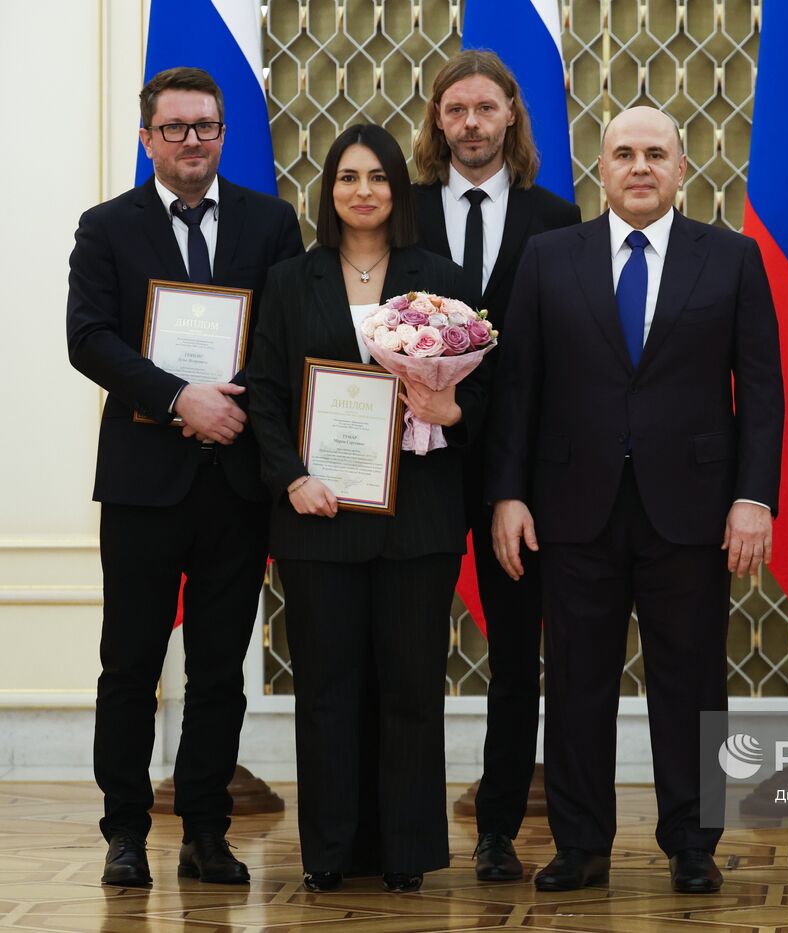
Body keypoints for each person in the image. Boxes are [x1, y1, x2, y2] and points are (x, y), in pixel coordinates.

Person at [488, 106, 783, 894]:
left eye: (657, 153)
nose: (641, 167)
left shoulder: (731, 258)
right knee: (577, 678)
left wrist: (755, 496)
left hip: (691, 507)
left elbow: (760, 390)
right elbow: (518, 388)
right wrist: (508, 495)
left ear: (683, 167)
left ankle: (693, 841)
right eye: (625, 153)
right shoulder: (550, 257)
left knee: (691, 681)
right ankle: (580, 843)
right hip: (570, 504)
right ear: (602, 169)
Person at [66, 66, 303, 887]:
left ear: (223, 134)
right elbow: (89, 338)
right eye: (175, 128)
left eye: (205, 126)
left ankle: (206, 830)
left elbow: (290, 332)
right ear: (148, 139)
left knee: (218, 670)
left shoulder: (271, 222)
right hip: (142, 481)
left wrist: (235, 407)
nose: (192, 140)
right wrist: (178, 400)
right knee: (128, 664)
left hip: (238, 482)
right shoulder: (106, 228)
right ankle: (125, 831)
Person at [246, 123, 488, 894]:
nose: (363, 191)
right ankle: (330, 847)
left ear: (399, 189)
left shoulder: (440, 279)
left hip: (417, 519)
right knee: (326, 686)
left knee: (411, 686)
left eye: (378, 177)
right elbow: (266, 396)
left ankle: (405, 849)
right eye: (348, 177)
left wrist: (447, 411)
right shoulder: (290, 279)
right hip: (317, 515)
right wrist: (291, 479)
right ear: (329, 191)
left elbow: (485, 394)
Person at [410, 49, 580, 883]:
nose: (470, 123)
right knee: (405, 650)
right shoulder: (398, 212)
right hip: (415, 467)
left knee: (516, 657)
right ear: (437, 122)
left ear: (512, 115)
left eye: (485, 108)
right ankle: (398, 823)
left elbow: (565, 351)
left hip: (521, 471)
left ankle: (499, 826)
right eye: (455, 110)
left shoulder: (559, 216)